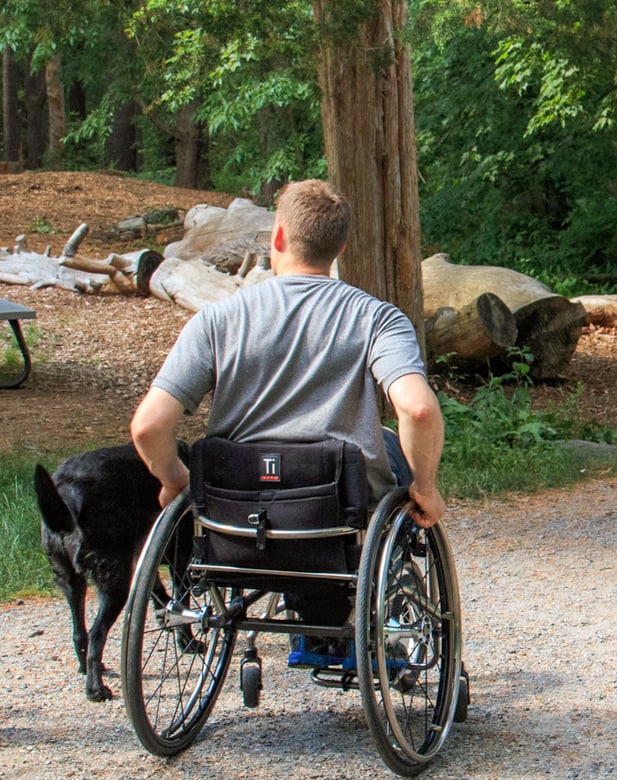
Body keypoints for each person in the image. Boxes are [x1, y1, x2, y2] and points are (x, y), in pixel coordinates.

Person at [131, 177, 446, 529]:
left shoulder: (215, 321)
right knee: (387, 444)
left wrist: (174, 480)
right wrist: (426, 488)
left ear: (276, 237)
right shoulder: (376, 318)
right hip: (339, 506)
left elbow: (148, 426)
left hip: (235, 507)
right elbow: (418, 410)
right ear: (340, 248)